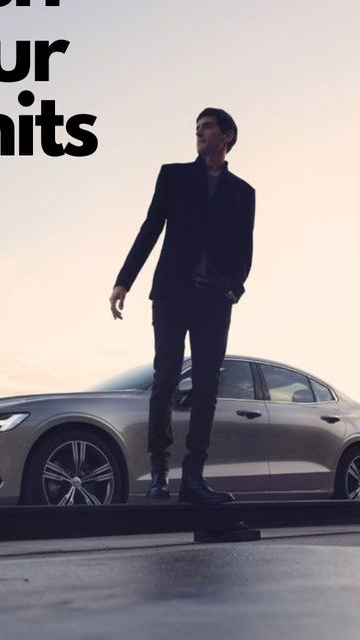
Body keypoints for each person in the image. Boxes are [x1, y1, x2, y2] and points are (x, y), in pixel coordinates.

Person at [109, 108, 255, 505]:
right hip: (173, 294)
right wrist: (124, 281)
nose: (199, 134)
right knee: (166, 380)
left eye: (207, 128)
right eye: (196, 129)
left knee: (207, 386)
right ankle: (160, 474)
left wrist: (233, 290)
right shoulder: (173, 175)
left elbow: (245, 249)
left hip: (214, 300)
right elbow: (150, 228)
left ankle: (193, 478)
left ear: (228, 136)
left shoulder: (243, 192)